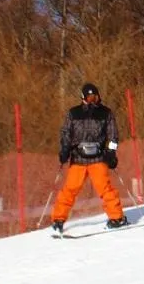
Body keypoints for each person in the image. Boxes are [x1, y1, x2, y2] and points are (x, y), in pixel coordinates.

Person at [51, 82, 127, 233]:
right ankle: (58, 219)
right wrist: (65, 150)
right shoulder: (74, 113)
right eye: (90, 97)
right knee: (70, 189)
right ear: (83, 97)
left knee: (105, 188)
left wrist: (111, 152)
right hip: (78, 158)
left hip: (98, 158)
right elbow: (66, 133)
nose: (93, 99)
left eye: (95, 96)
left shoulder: (105, 113)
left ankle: (116, 217)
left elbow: (113, 135)